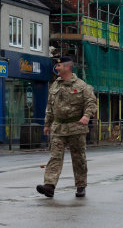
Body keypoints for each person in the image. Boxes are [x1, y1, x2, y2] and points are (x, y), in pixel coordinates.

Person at [37, 56, 97, 198]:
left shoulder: (82, 86)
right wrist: (47, 123)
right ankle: (49, 186)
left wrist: (87, 116)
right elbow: (50, 106)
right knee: (55, 157)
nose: (57, 68)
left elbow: (91, 102)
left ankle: (81, 185)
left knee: (79, 158)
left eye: (59, 66)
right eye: (56, 66)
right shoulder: (55, 86)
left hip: (76, 127)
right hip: (58, 127)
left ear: (68, 67)